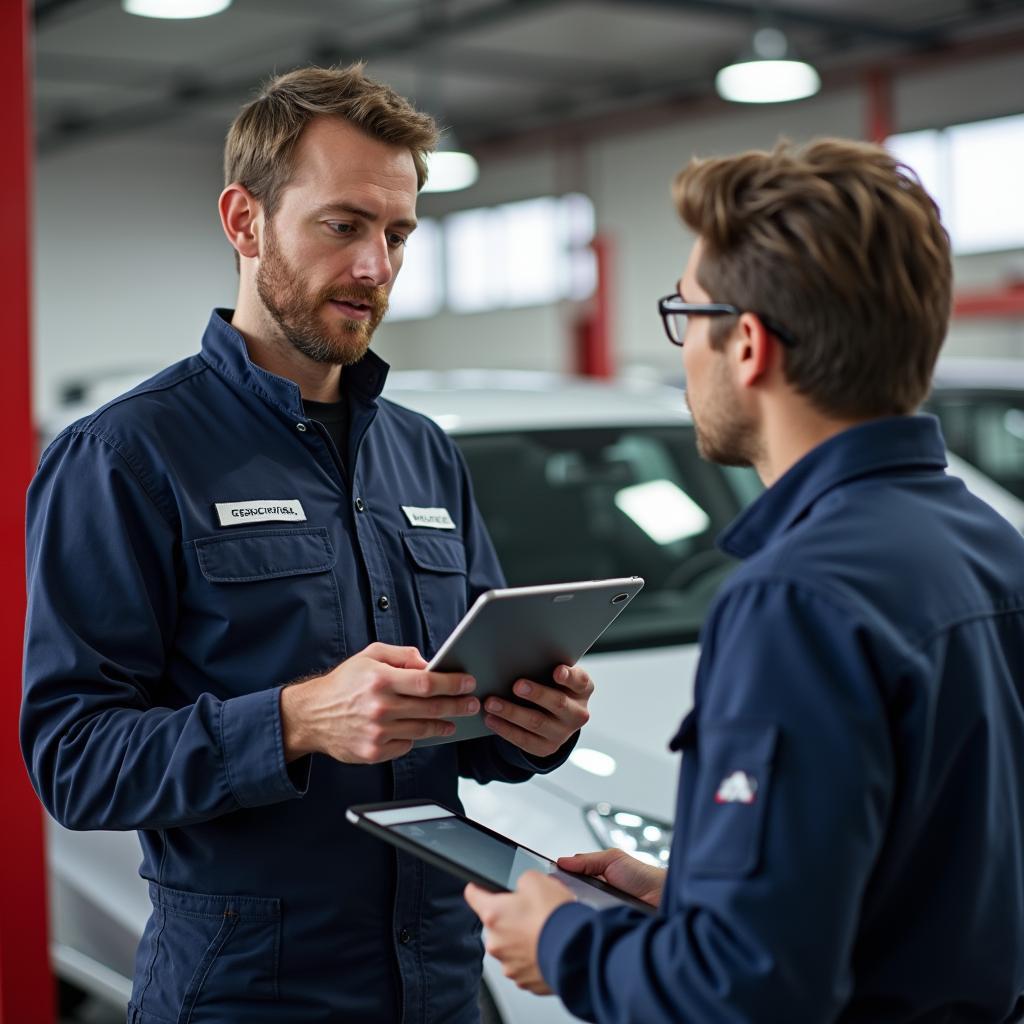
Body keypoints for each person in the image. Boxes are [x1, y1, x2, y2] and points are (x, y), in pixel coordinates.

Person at [21, 63, 594, 1023]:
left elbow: (464, 718)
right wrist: (290, 720)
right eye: (343, 225)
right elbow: (72, 758)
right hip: (248, 992)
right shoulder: (125, 456)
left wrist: (534, 728)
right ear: (245, 222)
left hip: (440, 980)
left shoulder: (423, 453)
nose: (376, 266)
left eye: (398, 234)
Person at [464, 138, 1024, 1022]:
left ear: (750, 346)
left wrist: (564, 943)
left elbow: (744, 992)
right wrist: (694, 899)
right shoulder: (989, 545)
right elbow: (926, 878)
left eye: (686, 317)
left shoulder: (796, 600)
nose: (684, 350)